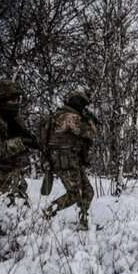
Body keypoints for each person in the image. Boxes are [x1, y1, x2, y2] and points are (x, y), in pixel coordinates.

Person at [42, 90, 98, 230]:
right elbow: (90, 133)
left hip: (69, 159)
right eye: (83, 105)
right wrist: (89, 119)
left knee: (88, 191)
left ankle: (84, 222)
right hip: (65, 160)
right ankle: (47, 212)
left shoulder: (62, 114)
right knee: (74, 194)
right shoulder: (69, 117)